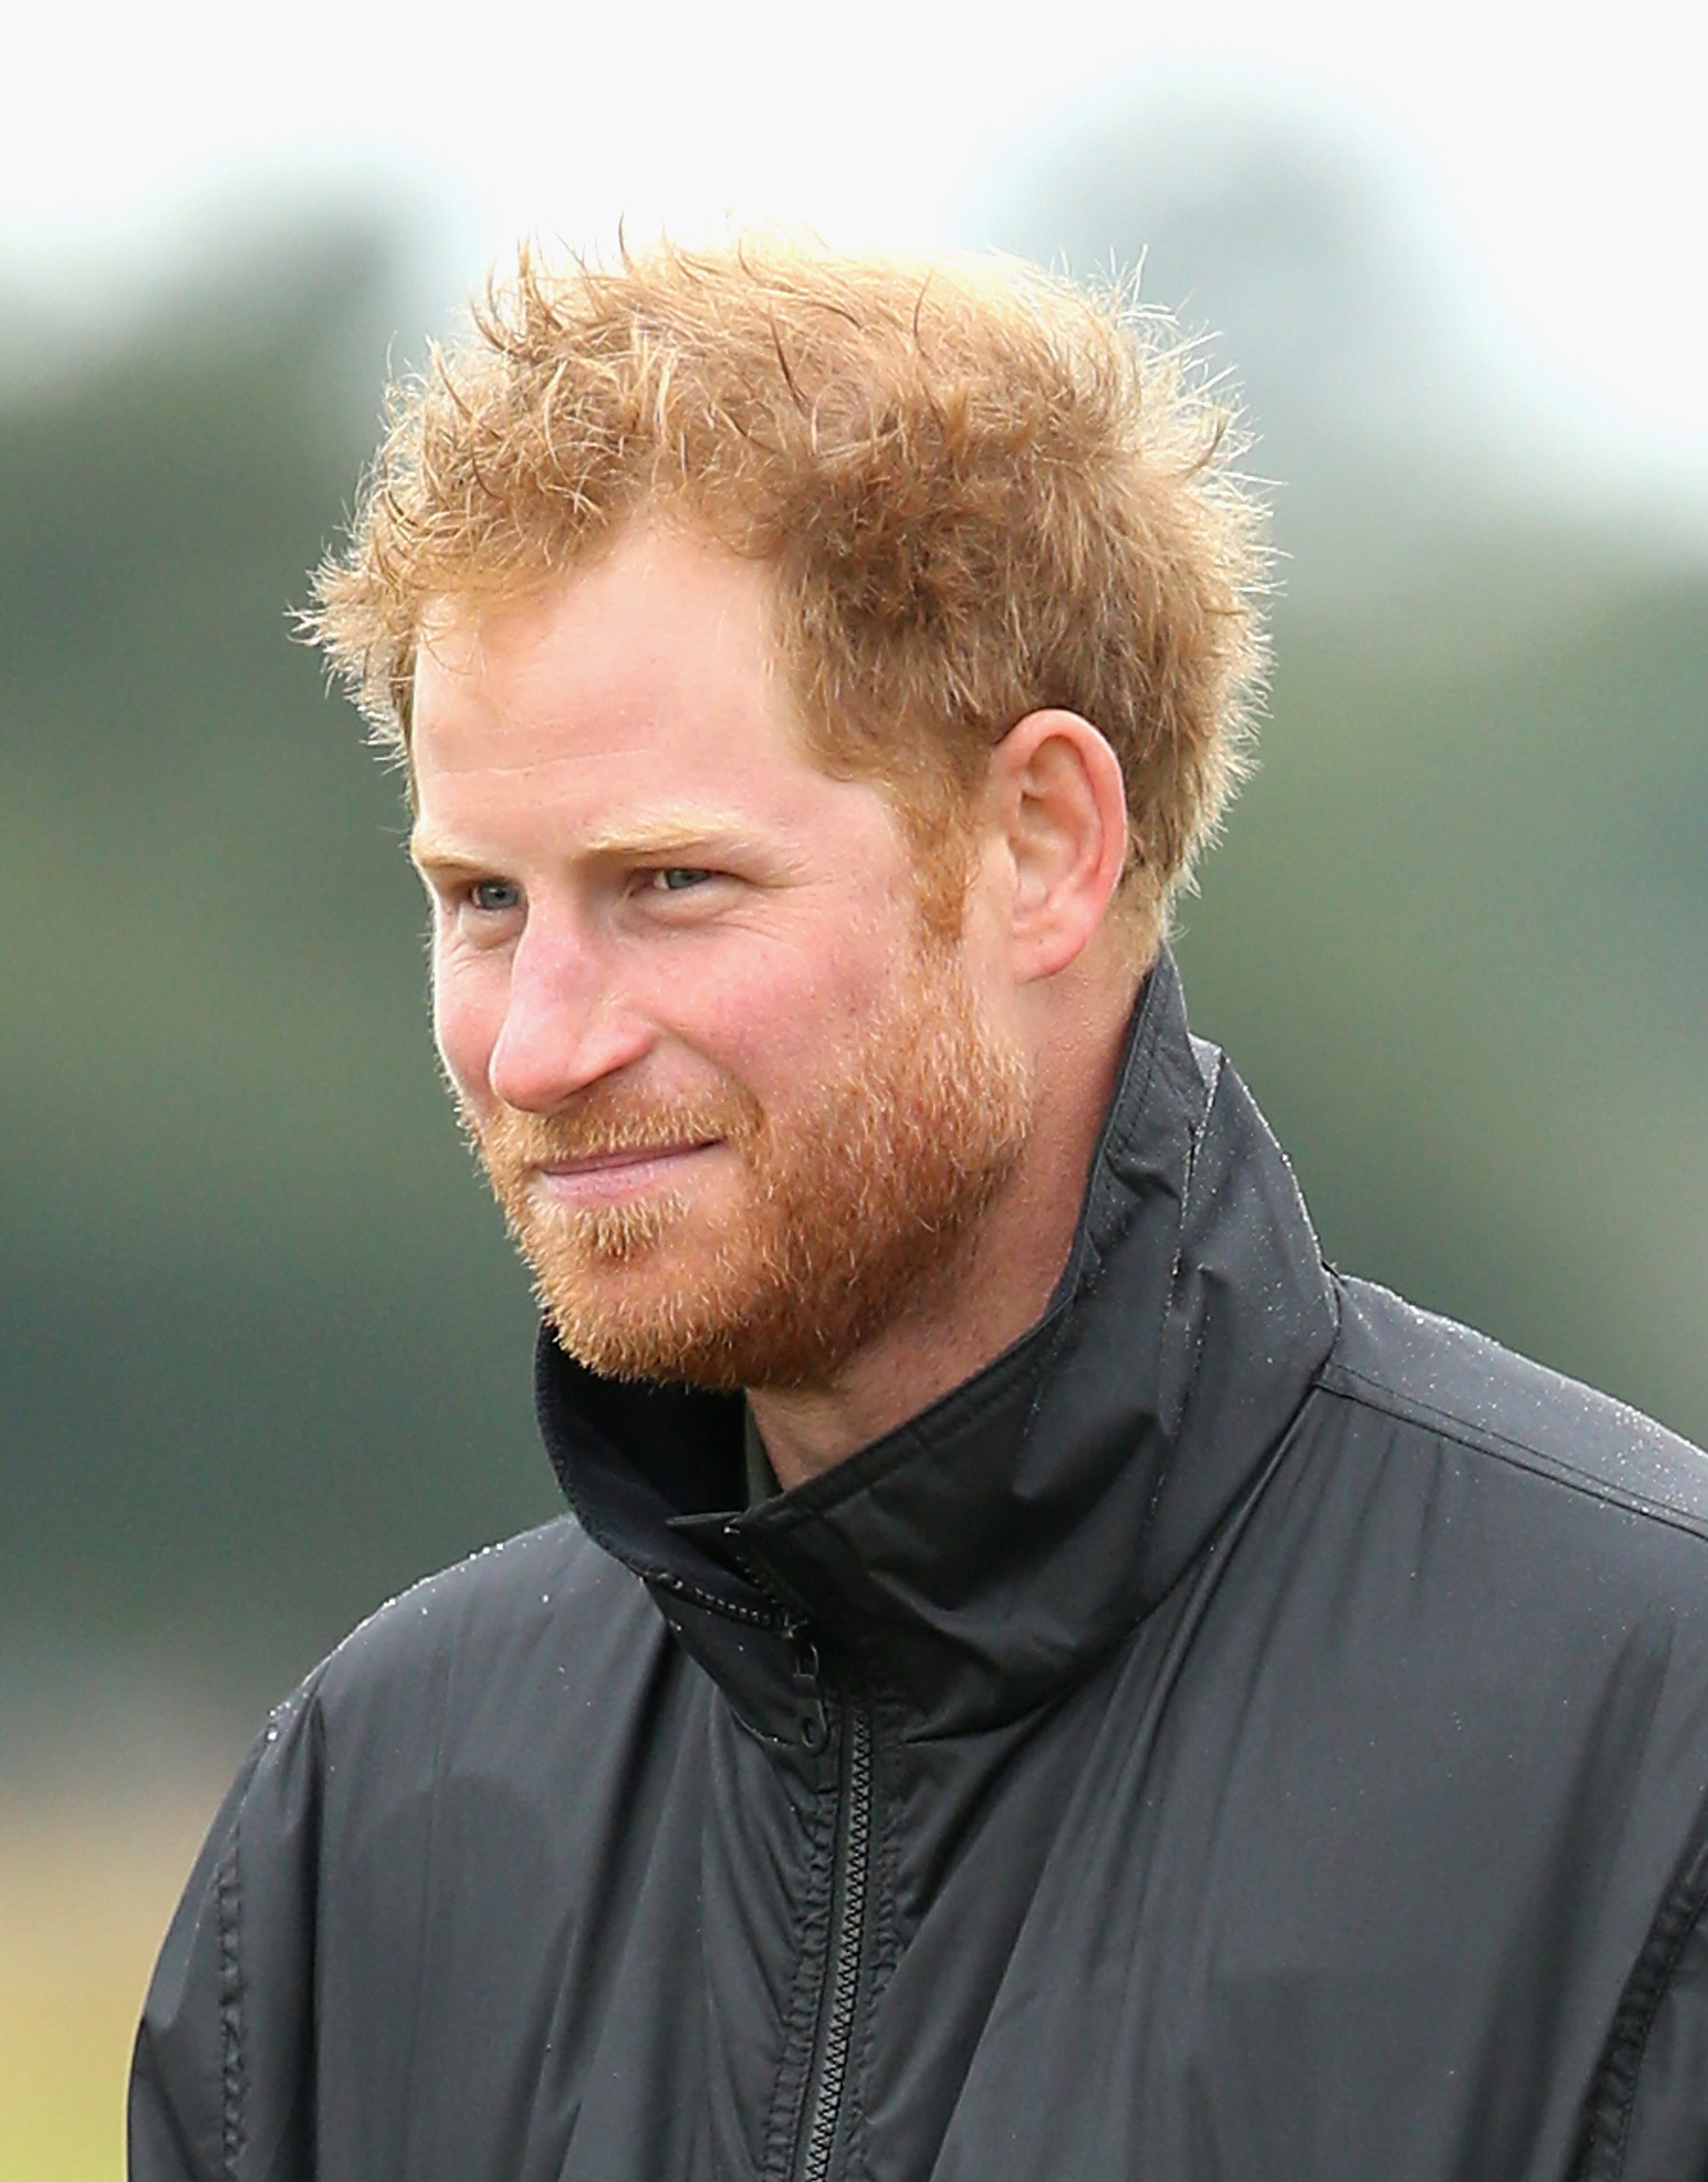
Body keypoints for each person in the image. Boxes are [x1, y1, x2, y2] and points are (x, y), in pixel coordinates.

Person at [130, 237, 1708, 2182]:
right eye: (483, 901)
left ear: (1045, 844)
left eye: (671, 885)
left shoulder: (1653, 1744)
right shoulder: (369, 1822)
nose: (537, 1046)